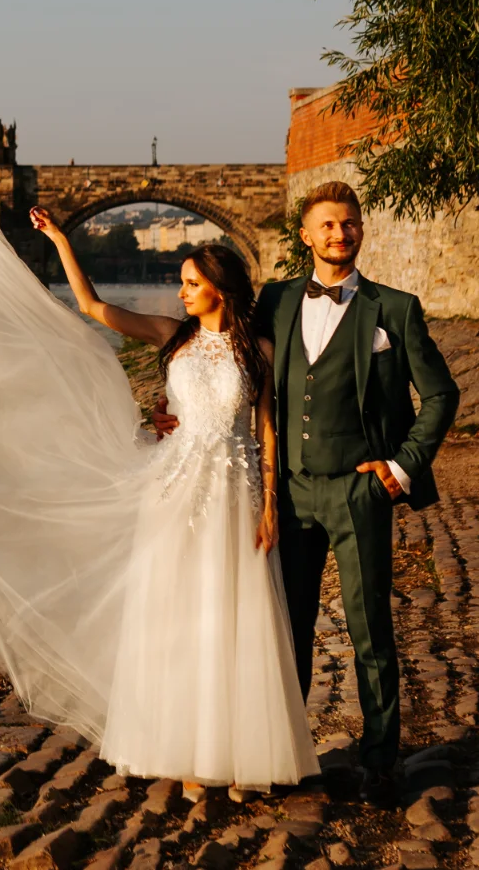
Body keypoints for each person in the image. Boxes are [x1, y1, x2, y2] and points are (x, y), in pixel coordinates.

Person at [0, 212, 318, 799]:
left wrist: (271, 504)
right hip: (175, 491)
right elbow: (93, 309)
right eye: (182, 283)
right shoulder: (174, 336)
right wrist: (61, 242)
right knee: (176, 621)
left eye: (191, 283)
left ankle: (240, 754)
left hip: (236, 493)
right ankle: (186, 756)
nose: (181, 292)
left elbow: (266, 430)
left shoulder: (260, 349)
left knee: (234, 619)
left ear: (218, 288)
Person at [157, 181, 457, 805]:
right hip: (286, 493)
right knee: (283, 628)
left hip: (359, 491)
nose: (338, 235)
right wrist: (177, 413)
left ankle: (379, 761)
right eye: (326, 225)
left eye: (348, 224)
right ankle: (281, 754)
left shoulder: (394, 310)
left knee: (370, 628)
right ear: (306, 235)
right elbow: (230, 360)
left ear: (360, 230)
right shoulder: (277, 301)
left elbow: (441, 396)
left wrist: (401, 467)